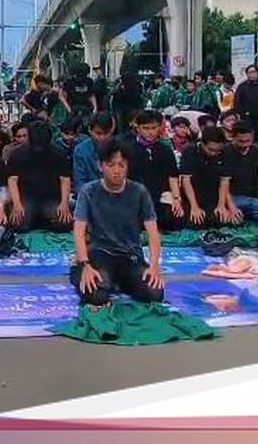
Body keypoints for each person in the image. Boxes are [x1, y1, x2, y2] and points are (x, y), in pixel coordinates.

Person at [70, 140, 165, 307]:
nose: (116, 171)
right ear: (100, 166)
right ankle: (80, 271)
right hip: (99, 254)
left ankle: (119, 282)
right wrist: (85, 264)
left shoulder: (139, 191)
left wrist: (154, 265)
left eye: (121, 165)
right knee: (96, 295)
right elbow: (78, 230)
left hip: (130, 256)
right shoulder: (89, 191)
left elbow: (152, 232)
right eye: (110, 165)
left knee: (154, 293)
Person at [123, 110, 184, 232]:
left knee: (175, 218)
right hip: (136, 196)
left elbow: (172, 176)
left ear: (160, 127)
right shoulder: (128, 149)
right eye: (146, 128)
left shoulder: (165, 150)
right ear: (138, 128)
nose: (150, 132)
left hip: (161, 195)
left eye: (153, 128)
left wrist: (177, 199)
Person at [7, 121, 73, 232]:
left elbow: (65, 179)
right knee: (18, 224)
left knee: (64, 223)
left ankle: (42, 218)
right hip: (27, 196)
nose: (39, 149)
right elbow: (12, 180)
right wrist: (17, 204)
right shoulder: (17, 154)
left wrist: (64, 203)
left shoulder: (58, 153)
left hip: (51, 197)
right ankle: (35, 218)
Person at [219, 122, 258, 227]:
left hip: (254, 199)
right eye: (241, 141)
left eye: (248, 141)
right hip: (234, 198)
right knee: (230, 221)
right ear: (234, 137)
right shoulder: (225, 152)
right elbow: (224, 184)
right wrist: (231, 206)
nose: (245, 145)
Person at [179, 126, 228, 228]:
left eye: (217, 151)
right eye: (210, 150)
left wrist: (221, 205)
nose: (214, 153)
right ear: (202, 143)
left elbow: (224, 181)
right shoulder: (189, 152)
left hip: (212, 197)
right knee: (194, 221)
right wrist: (194, 206)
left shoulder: (224, 153)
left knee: (220, 220)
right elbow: (186, 180)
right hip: (192, 197)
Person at [72, 112, 116, 190]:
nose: (102, 137)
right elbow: (80, 182)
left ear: (111, 131)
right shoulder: (80, 151)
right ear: (90, 130)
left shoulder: (120, 149)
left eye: (106, 133)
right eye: (98, 133)